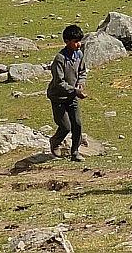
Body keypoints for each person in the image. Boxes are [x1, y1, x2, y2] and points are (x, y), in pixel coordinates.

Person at [46, 25, 88, 161]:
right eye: (75, 41)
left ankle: (75, 152)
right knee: (65, 126)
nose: (78, 44)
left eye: (79, 41)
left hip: (72, 96)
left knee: (77, 124)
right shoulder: (60, 59)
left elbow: (82, 72)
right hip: (58, 97)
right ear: (66, 41)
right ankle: (55, 142)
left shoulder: (79, 55)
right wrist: (75, 90)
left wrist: (80, 84)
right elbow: (59, 82)